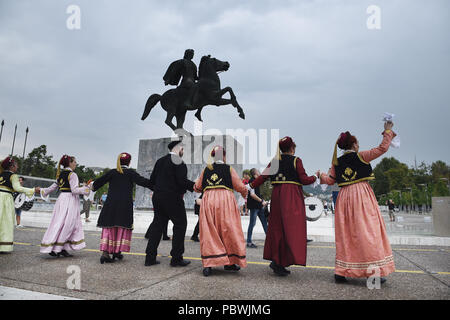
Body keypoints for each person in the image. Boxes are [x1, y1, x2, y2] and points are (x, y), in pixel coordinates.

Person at [317, 121, 396, 284]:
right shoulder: (362, 156)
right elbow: (382, 148)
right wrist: (387, 130)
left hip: (344, 197)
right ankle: (373, 272)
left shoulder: (336, 162)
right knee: (368, 232)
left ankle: (341, 271)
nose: (358, 145)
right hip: (361, 196)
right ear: (353, 144)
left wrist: (320, 175)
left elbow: (330, 180)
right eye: (357, 142)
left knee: (346, 234)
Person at [249, 137, 317, 276]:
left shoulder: (275, 161)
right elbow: (304, 180)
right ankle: (280, 261)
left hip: (277, 195)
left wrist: (249, 186)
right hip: (291, 196)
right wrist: (315, 176)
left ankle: (277, 260)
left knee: (277, 228)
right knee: (291, 230)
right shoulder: (296, 160)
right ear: (292, 148)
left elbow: (262, 178)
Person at [193, 146, 248, 277]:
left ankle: (208, 264)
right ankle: (230, 262)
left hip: (208, 200)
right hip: (225, 201)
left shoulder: (206, 169)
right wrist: (244, 193)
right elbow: (239, 186)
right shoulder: (229, 169)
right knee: (228, 230)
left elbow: (198, 187)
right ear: (224, 156)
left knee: (209, 231)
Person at [91, 152, 152, 264]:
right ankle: (117, 251)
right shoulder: (130, 173)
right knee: (121, 226)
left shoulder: (113, 172)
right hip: (124, 205)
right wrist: (156, 184)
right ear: (129, 162)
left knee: (109, 226)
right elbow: (142, 181)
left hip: (111, 203)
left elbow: (98, 182)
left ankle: (105, 252)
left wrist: (91, 187)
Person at [145, 139, 195, 267]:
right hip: (173, 198)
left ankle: (150, 258)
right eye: (183, 149)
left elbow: (152, 181)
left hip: (158, 197)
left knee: (157, 226)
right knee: (180, 224)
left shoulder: (160, 161)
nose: (183, 152)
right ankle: (176, 258)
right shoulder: (179, 162)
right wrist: (195, 186)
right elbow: (182, 181)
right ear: (179, 149)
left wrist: (158, 191)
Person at [40, 155, 90, 257]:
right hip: (70, 200)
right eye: (74, 162)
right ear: (70, 163)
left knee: (59, 223)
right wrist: (86, 188)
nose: (76, 163)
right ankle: (59, 248)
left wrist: (43, 191)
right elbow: (74, 190)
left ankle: (57, 246)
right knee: (69, 224)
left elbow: (52, 187)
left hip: (61, 199)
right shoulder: (72, 175)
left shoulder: (61, 174)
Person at [0, 157, 39, 253]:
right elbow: (17, 188)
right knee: (6, 222)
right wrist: (33, 190)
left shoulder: (1, 174)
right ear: (12, 166)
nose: (17, 167)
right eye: (16, 165)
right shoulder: (13, 176)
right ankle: (3, 246)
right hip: (6, 199)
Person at [246, 168, 268, 248]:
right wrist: (262, 201)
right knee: (252, 223)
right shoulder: (252, 181)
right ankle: (248, 242)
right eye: (258, 171)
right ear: (255, 173)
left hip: (258, 205)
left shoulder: (257, 181)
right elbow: (252, 195)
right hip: (254, 206)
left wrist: (262, 201)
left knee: (264, 222)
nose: (259, 172)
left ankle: (270, 240)